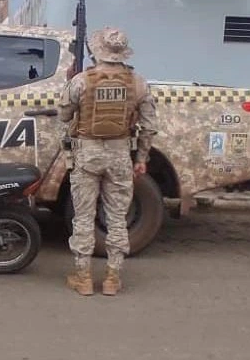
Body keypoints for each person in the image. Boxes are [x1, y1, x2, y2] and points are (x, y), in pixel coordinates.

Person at [59, 26, 157, 296]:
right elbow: (149, 126)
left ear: (97, 50)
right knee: (117, 218)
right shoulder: (137, 82)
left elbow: (65, 114)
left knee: (83, 217)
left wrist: (69, 82)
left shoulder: (82, 80)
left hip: (87, 154)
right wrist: (142, 158)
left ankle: (83, 277)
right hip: (119, 155)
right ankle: (113, 278)